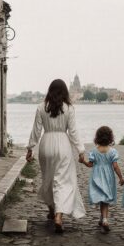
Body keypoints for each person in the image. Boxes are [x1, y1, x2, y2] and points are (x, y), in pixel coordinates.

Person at [26, 79, 86, 233]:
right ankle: (58, 215)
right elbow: (73, 132)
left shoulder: (41, 107)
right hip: (63, 145)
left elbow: (36, 131)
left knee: (48, 179)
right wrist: (80, 150)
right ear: (65, 91)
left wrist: (30, 148)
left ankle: (52, 211)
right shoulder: (69, 108)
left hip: (46, 144)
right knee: (63, 181)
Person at [80, 126, 124, 232]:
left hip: (97, 177)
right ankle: (104, 219)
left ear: (97, 137)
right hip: (108, 177)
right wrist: (121, 177)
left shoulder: (94, 151)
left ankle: (102, 218)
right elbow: (115, 166)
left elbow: (90, 164)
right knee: (105, 199)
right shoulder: (112, 152)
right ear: (110, 138)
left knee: (102, 197)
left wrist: (83, 161)